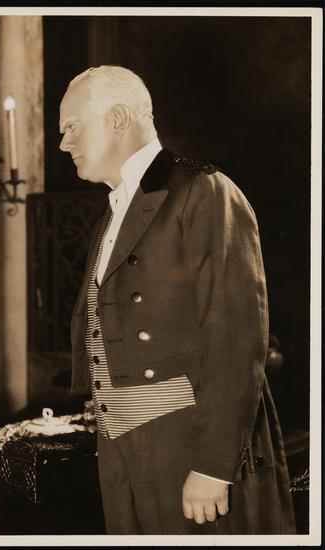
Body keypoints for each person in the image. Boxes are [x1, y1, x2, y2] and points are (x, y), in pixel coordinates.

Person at [60, 66, 295, 534]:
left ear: (118, 118)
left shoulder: (203, 191)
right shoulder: (115, 210)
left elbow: (237, 336)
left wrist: (213, 466)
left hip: (186, 444)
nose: (64, 143)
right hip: (121, 446)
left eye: (71, 127)